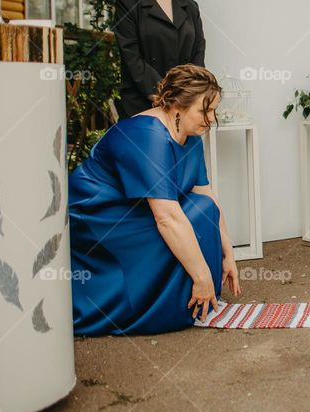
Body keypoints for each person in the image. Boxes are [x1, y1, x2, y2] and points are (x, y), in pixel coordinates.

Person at [69, 64, 241, 335]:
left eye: (213, 110)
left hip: (138, 211)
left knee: (203, 208)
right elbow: (167, 217)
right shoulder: (147, 135)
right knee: (179, 222)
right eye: (204, 110)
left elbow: (206, 196)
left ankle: (190, 300)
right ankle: (171, 304)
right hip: (100, 219)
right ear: (177, 106)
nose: (210, 118)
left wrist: (228, 253)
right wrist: (202, 275)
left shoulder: (190, 134)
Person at [114, 0, 206, 118]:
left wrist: (189, 93)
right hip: (143, 101)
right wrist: (166, 95)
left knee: (185, 147)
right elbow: (132, 57)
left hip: (185, 102)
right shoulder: (128, 3)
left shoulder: (190, 7)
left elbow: (198, 51)